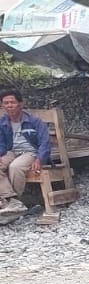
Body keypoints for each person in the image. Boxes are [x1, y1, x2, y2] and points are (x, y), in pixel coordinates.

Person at [0, 85, 54, 220]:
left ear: (20, 103)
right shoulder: (2, 122)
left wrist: (40, 159)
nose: (9, 105)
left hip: (31, 152)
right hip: (11, 151)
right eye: (6, 103)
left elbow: (45, 142)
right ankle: (11, 201)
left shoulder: (33, 121)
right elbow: (1, 144)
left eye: (12, 102)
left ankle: (13, 204)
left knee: (15, 167)